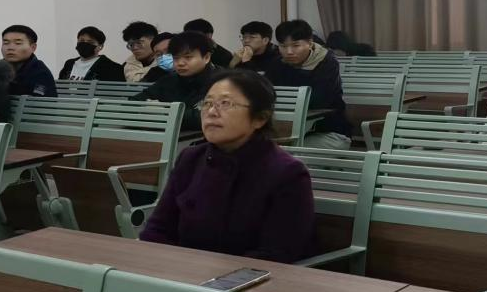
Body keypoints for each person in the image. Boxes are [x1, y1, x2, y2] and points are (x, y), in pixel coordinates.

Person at [140, 70, 316, 263]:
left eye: (225, 104)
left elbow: (276, 254)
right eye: (207, 103)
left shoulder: (287, 173)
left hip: (244, 278)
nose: (211, 112)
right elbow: (156, 230)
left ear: (260, 118)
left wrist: (207, 273)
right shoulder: (190, 158)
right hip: (181, 270)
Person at [264, 19, 353, 149]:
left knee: (280, 153)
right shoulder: (277, 63)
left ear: (310, 43)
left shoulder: (327, 63)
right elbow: (263, 93)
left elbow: (320, 100)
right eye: (283, 46)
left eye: (296, 45)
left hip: (327, 132)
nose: (289, 51)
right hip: (286, 129)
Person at [130, 31, 215, 130]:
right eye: (176, 58)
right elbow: (133, 102)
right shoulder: (169, 80)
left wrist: (166, 112)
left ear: (206, 57)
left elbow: (210, 117)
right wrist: (148, 109)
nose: (180, 63)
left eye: (188, 57)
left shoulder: (221, 82)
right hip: (164, 134)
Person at [1, 25, 57, 97]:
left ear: (33, 47)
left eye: (18, 43)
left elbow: (43, 101)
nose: (10, 48)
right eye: (6, 43)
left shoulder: (40, 73)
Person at [58, 26, 125, 82]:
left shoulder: (112, 68)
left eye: (90, 42)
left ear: (100, 46)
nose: (85, 44)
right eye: (81, 41)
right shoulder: (69, 64)